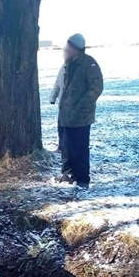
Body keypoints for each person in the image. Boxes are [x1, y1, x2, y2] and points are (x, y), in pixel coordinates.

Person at [50, 33, 103, 189]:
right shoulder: (68, 64)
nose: (66, 50)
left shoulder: (89, 63)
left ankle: (82, 179)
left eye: (69, 47)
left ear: (76, 48)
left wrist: (80, 107)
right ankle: (68, 174)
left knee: (80, 148)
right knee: (66, 147)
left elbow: (96, 88)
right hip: (65, 115)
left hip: (81, 117)